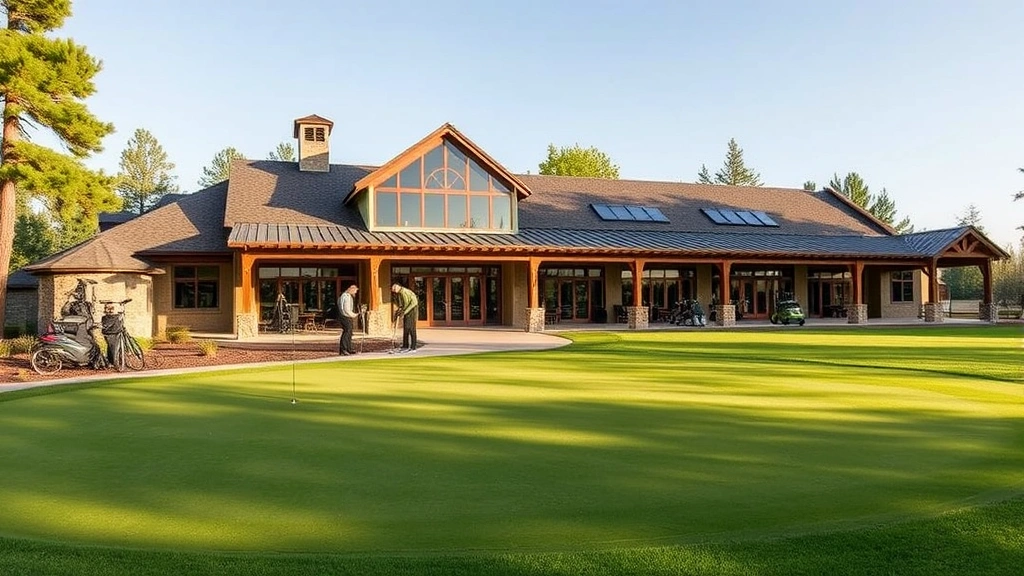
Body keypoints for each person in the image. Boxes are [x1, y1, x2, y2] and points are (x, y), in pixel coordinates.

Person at [391, 282, 419, 353]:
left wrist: (404, 312)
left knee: (411, 329)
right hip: (407, 309)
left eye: (394, 288)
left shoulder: (404, 292)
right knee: (406, 328)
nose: (393, 290)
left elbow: (410, 303)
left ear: (398, 287)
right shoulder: (399, 293)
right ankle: (405, 345)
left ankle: (413, 347)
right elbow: (401, 304)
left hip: (412, 309)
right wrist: (400, 310)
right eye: (393, 289)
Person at [338, 284, 359, 355]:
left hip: (346, 316)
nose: (355, 293)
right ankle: (343, 349)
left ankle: (348, 348)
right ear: (351, 289)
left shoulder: (345, 296)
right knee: (347, 332)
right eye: (355, 291)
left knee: (349, 333)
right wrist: (353, 315)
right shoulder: (346, 296)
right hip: (345, 316)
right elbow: (346, 309)